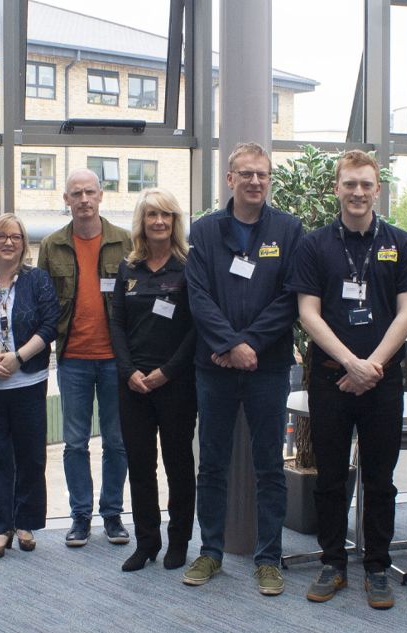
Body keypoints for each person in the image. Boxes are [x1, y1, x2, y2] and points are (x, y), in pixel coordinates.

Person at [286, 150, 407, 608]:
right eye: (350, 184)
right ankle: (332, 562)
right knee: (329, 477)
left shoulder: (401, 243)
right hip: (330, 379)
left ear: (377, 189)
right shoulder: (314, 244)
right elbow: (308, 312)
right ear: (337, 188)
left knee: (381, 479)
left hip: (382, 382)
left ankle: (377, 567)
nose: (358, 192)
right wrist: (350, 363)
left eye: (366, 184)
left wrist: (372, 368)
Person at [182, 142, 303, 596]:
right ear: (229, 179)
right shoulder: (206, 230)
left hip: (267, 368)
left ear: (269, 180)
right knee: (211, 464)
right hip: (213, 367)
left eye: (263, 174)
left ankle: (268, 559)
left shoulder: (289, 231)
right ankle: (210, 552)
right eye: (246, 174)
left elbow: (291, 296)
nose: (255, 181)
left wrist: (250, 345)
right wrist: (231, 345)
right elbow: (199, 296)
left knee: (270, 465)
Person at [37, 169, 133, 547]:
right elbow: (43, 301)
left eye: (89, 192)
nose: (83, 200)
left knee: (117, 441)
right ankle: (80, 517)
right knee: (74, 443)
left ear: (101, 195)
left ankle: (112, 515)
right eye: (75, 193)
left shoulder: (124, 241)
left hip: (115, 359)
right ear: (66, 199)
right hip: (72, 358)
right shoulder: (52, 245)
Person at [109, 188, 198, 572]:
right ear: (141, 223)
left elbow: (197, 328)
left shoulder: (190, 266)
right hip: (134, 385)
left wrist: (166, 372)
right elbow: (116, 323)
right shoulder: (128, 267)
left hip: (176, 382)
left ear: (175, 222)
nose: (159, 221)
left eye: (166, 215)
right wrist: (129, 372)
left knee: (178, 464)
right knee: (141, 466)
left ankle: (178, 541)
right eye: (151, 216)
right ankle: (147, 542)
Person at [0, 214, 59, 559]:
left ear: (24, 243)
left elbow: (50, 324)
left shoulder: (38, 280)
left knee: (31, 455)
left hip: (28, 380)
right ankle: (0, 527)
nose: (8, 242)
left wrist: (18, 357)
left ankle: (26, 524)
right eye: (1, 236)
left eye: (15, 237)